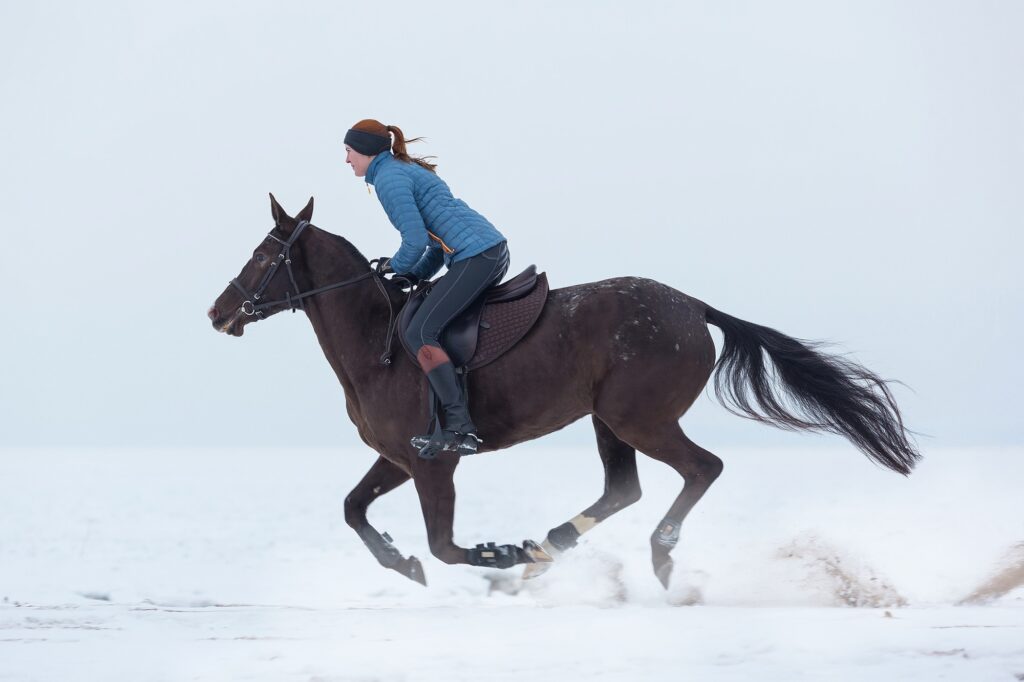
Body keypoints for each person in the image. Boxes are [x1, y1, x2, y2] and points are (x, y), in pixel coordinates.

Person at [343, 119, 510, 458]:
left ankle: (460, 427)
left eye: (348, 152)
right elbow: (435, 245)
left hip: (477, 256)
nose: (347, 160)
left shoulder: (389, 179)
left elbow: (415, 240)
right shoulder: (400, 170)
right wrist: (414, 275)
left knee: (420, 330)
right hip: (484, 251)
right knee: (424, 320)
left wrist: (395, 266)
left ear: (365, 150)